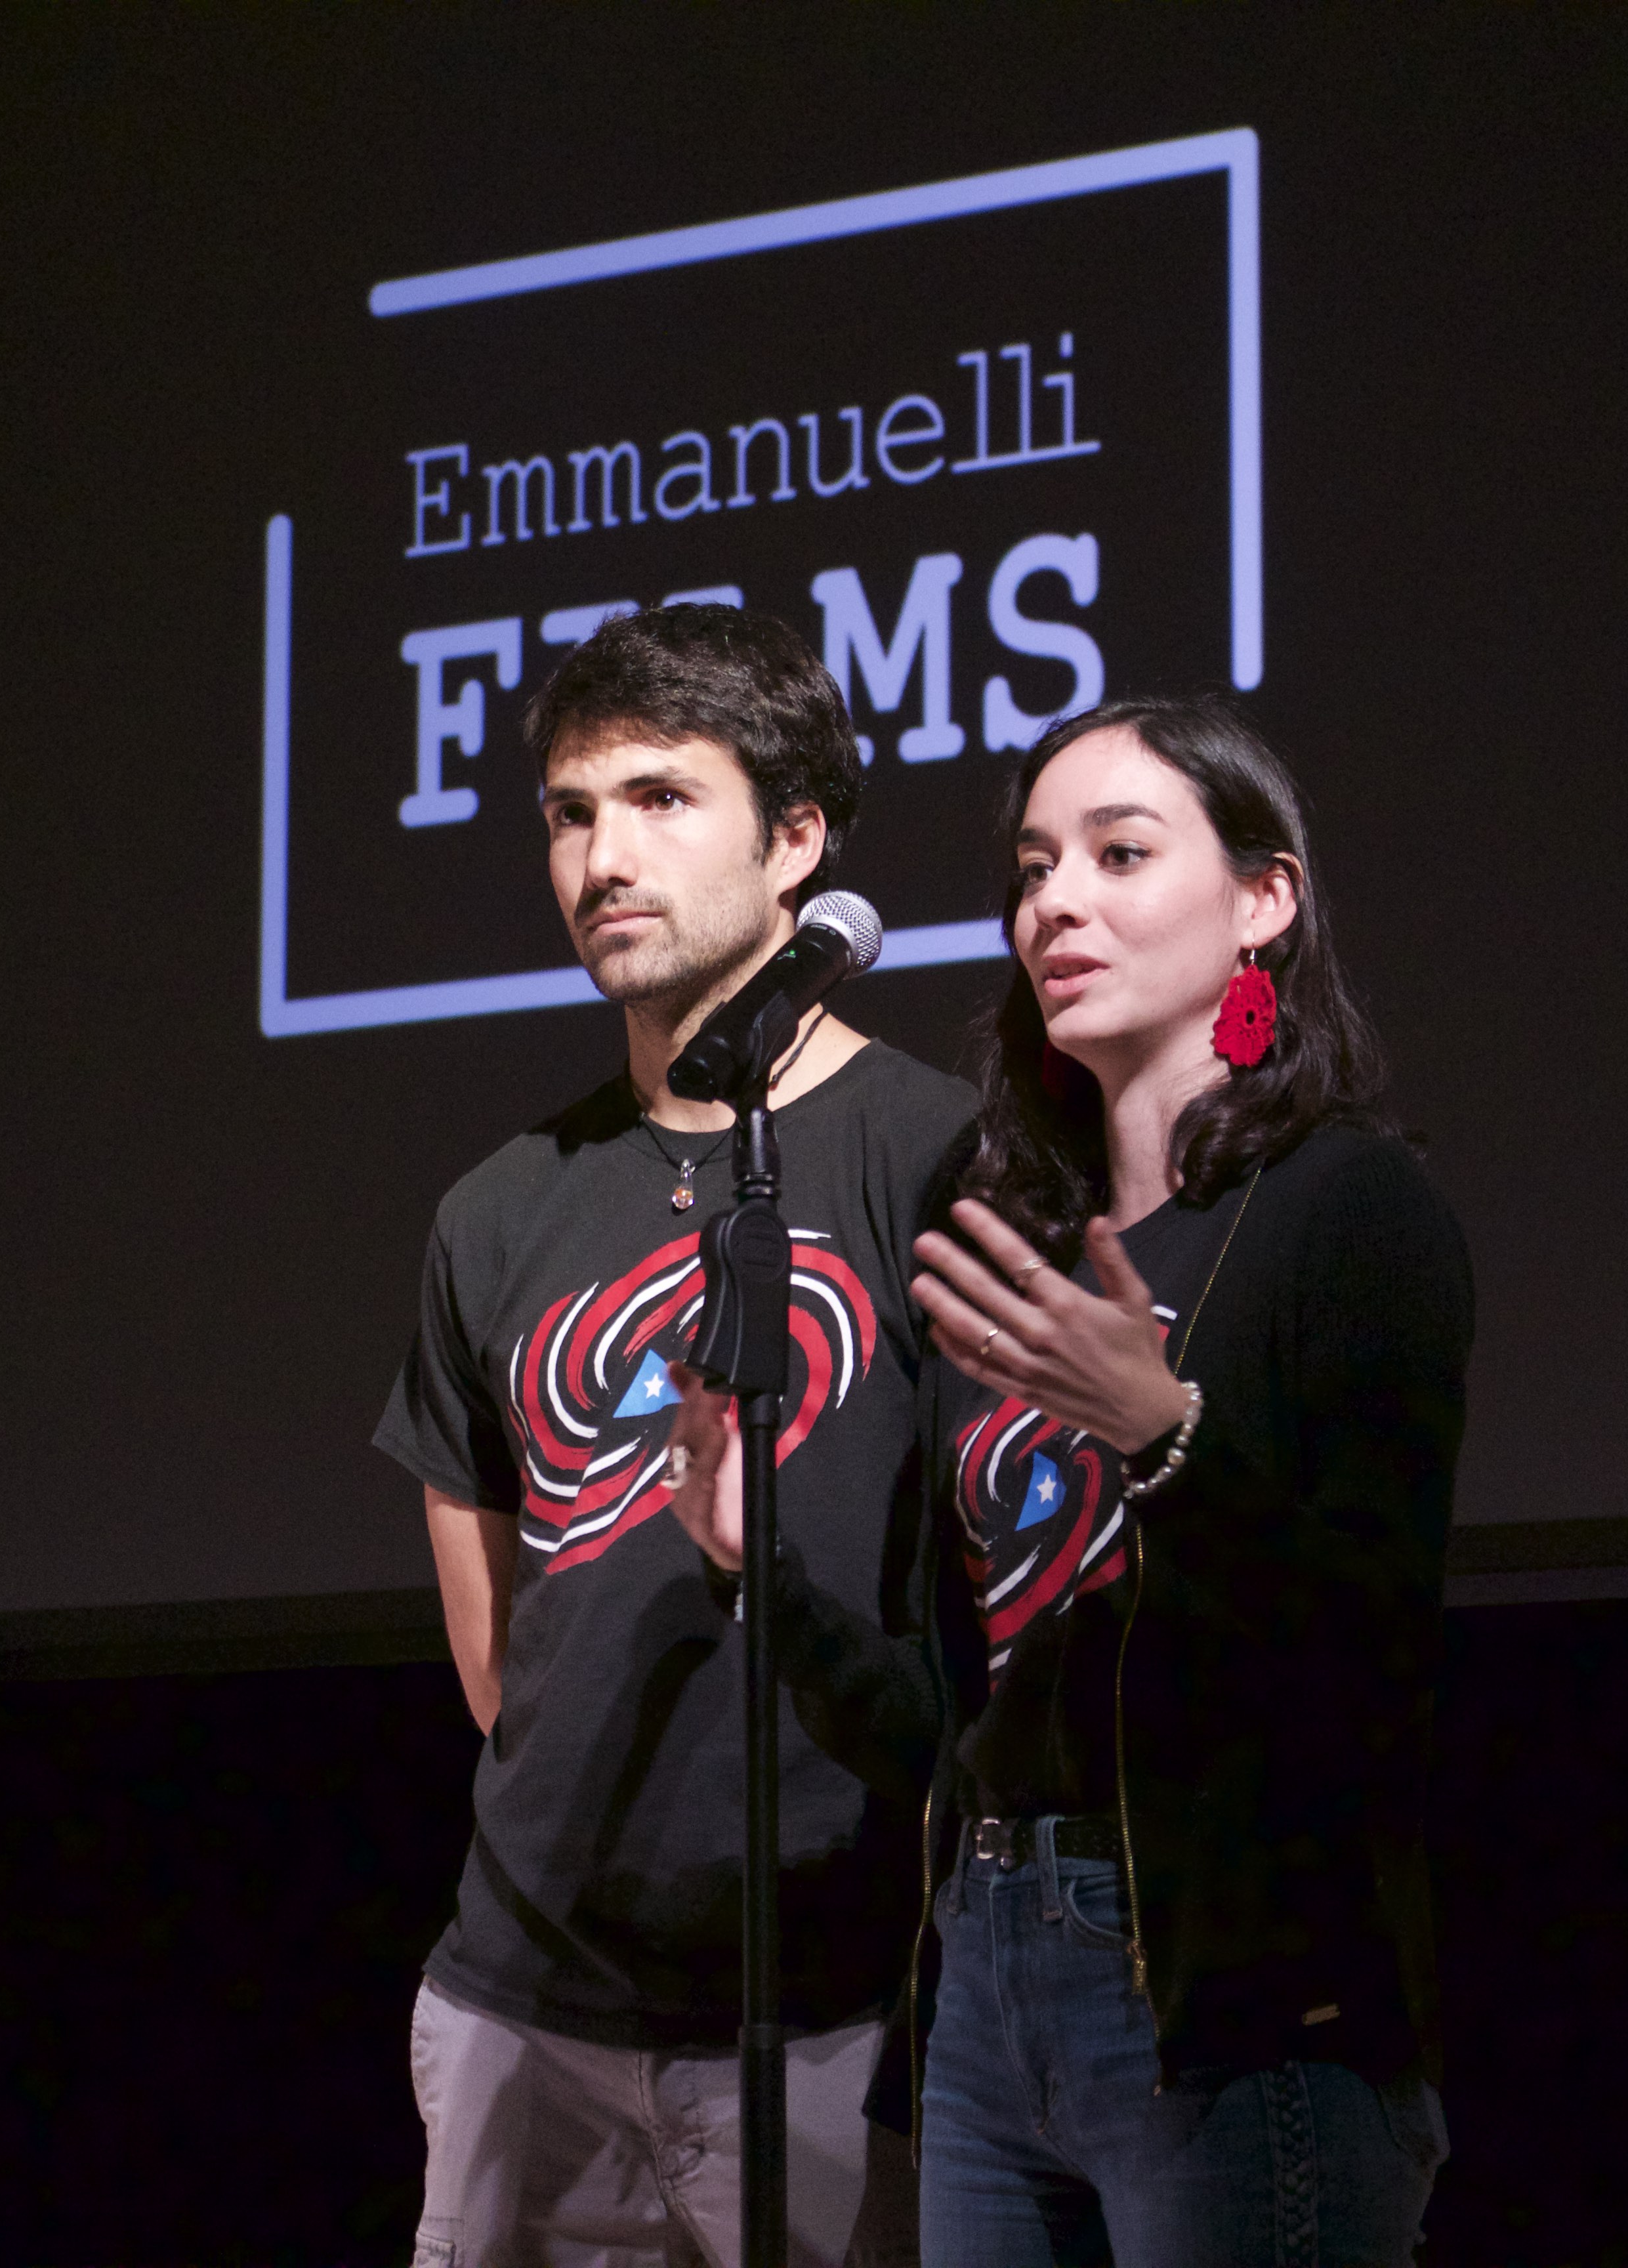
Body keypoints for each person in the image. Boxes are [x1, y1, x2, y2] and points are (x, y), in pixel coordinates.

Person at [661, 693, 1472, 2263]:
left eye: (1119, 852)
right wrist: (763, 1571)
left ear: (1264, 901)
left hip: (1234, 1998)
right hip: (989, 1971)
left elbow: (1369, 1653)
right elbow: (957, 1720)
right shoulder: (1010, 1266)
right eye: (1035, 867)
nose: (1056, 902)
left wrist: (1166, 1437)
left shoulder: (1351, 1213)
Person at [375, 604, 978, 2268]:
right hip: (524, 2007)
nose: (599, 858)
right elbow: (490, 1633)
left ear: (798, 840)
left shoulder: (939, 1155)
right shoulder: (497, 1210)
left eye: (657, 799)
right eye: (569, 815)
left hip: (821, 2013)